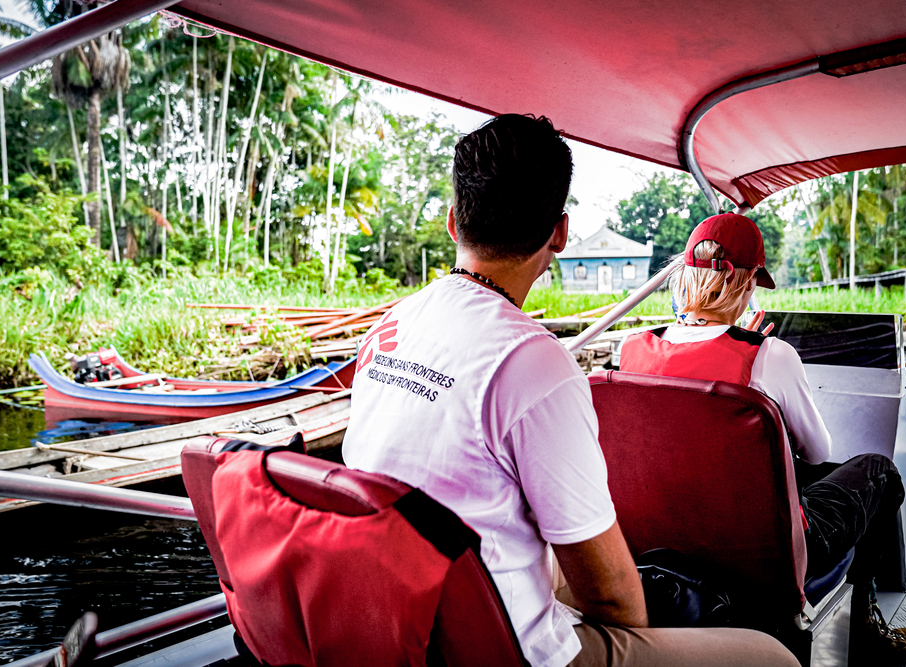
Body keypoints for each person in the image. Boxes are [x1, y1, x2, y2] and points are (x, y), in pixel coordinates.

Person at [342, 114, 800, 667]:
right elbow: (612, 600)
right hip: (501, 651)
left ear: (452, 221)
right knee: (772, 657)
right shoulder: (537, 364)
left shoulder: (389, 327)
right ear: (559, 233)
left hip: (395, 621)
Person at [619, 212, 906, 666]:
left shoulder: (633, 350)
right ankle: (865, 623)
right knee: (877, 471)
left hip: (661, 541)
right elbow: (818, 451)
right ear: (746, 283)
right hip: (766, 555)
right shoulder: (769, 355)